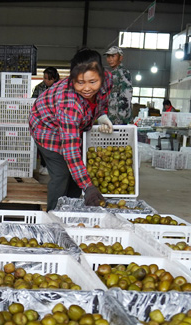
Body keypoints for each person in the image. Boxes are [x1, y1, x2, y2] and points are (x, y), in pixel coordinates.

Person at [29, 48, 112, 211]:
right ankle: (54, 215)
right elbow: (71, 151)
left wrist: (102, 114)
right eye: (80, 82)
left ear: (101, 76)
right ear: (72, 79)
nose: (87, 88)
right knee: (61, 173)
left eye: (93, 82)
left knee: (76, 176)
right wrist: (88, 187)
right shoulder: (69, 104)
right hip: (46, 128)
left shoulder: (108, 79)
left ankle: (71, 210)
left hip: (72, 125)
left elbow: (103, 98)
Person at [103, 46, 133, 125]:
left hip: (119, 119)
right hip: (111, 117)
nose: (110, 59)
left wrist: (122, 118)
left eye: (113, 56)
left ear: (120, 57)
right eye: (108, 56)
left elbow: (126, 96)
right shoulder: (111, 74)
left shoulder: (123, 73)